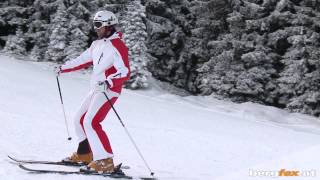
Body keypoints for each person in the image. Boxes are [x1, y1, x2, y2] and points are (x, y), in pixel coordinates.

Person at [55, 10, 130, 173]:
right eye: (94, 24)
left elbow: (124, 71)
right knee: (79, 119)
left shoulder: (117, 45)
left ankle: (105, 161)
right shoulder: (97, 44)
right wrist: (63, 68)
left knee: (92, 122)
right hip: (96, 89)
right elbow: (82, 60)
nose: (95, 28)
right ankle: (85, 154)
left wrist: (109, 82)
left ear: (108, 25)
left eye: (98, 25)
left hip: (109, 91)